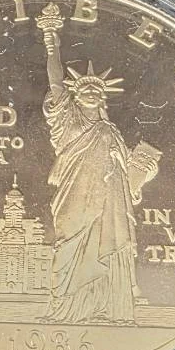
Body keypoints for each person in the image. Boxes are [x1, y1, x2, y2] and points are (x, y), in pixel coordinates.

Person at [40, 22, 158, 324]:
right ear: (76, 94)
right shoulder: (66, 119)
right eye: (85, 88)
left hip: (109, 203)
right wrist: (52, 44)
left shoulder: (110, 130)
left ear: (103, 96)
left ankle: (106, 308)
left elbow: (125, 170)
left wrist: (143, 173)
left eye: (97, 88)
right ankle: (64, 310)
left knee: (108, 245)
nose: (92, 91)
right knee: (67, 245)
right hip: (73, 197)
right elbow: (56, 81)